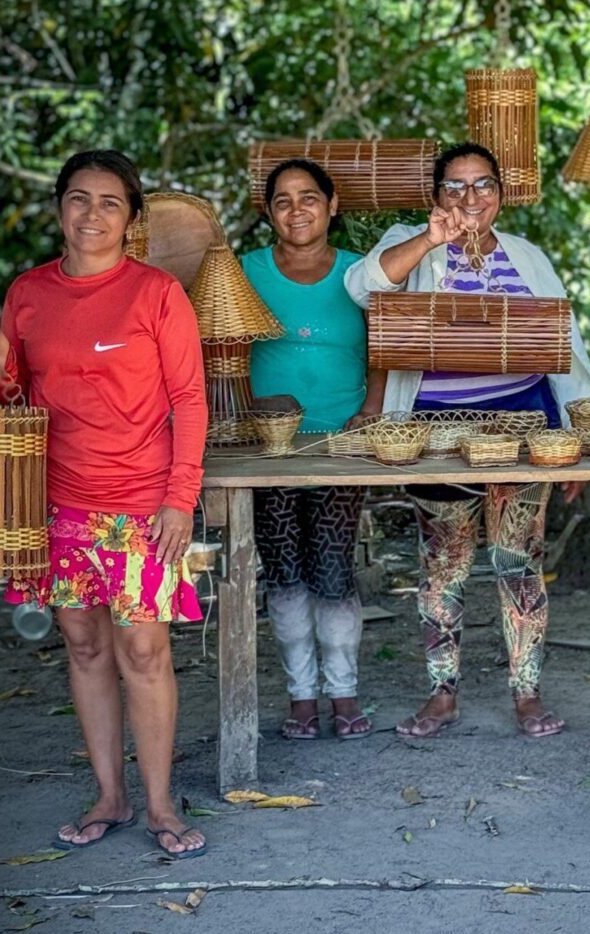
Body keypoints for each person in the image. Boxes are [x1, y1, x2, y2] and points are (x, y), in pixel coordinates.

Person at [0, 150, 209, 858]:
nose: (92, 214)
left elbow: (188, 399)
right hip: (57, 505)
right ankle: (110, 796)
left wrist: (180, 499)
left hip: (142, 506)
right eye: (78, 198)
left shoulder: (155, 294)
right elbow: (15, 396)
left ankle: (159, 806)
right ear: (59, 207)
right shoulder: (27, 293)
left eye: (110, 202)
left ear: (132, 218)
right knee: (84, 646)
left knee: (143, 649)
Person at [344, 142, 590, 738]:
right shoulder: (413, 243)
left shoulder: (528, 257)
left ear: (501, 196)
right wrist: (432, 239)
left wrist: (575, 443)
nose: (470, 198)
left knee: (519, 561)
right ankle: (442, 694)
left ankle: (527, 693)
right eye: (455, 186)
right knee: (444, 565)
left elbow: (569, 350)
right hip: (436, 430)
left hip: (523, 425)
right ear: (436, 197)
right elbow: (361, 286)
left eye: (483, 185)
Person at [243, 158, 372, 740]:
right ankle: (301, 696)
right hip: (266, 448)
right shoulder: (242, 274)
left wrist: (366, 422)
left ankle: (343, 694)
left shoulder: (360, 276)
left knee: (333, 568)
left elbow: (388, 353)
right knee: (284, 571)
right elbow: (214, 352)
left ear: (333, 203)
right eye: (283, 200)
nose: (297, 210)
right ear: (268, 212)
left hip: (340, 445)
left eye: (309, 197)